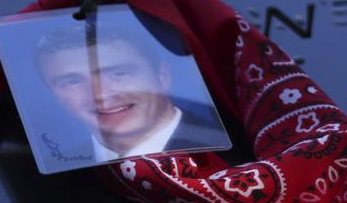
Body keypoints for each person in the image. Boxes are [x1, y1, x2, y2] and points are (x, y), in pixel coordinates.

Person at [30, 18, 229, 163]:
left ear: (163, 76)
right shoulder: (47, 175)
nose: (100, 96)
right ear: (53, 95)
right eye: (72, 82)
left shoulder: (237, 155)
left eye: (118, 74)